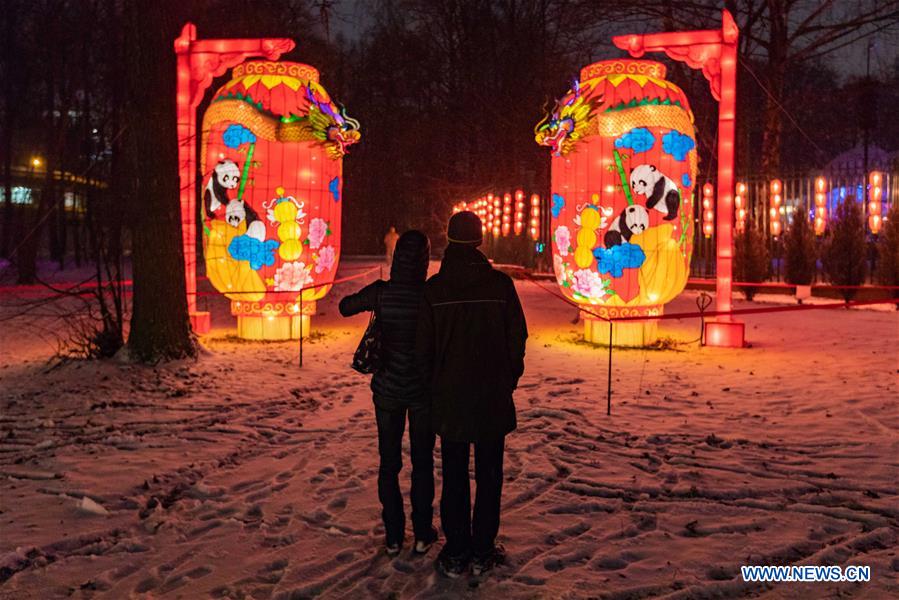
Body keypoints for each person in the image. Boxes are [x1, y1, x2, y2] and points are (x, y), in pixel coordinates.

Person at [416, 211, 528, 578]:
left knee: (453, 474)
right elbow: (517, 338)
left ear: (448, 240)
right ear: (480, 241)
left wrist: (434, 386)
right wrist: (507, 379)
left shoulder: (434, 291)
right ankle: (482, 548)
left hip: (449, 398)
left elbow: (424, 350)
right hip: (491, 395)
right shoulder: (500, 286)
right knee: (490, 475)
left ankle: (456, 548)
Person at [339, 230, 438, 557]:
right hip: (423, 393)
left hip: (387, 391)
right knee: (422, 463)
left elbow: (344, 307)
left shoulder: (382, 293)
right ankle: (423, 534)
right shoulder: (429, 296)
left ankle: (394, 535)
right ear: (424, 261)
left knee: (389, 463)